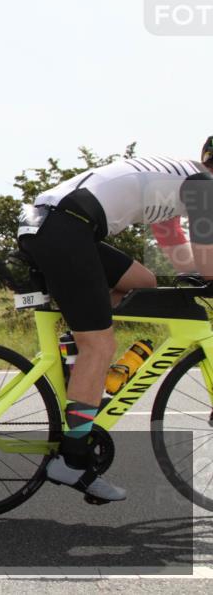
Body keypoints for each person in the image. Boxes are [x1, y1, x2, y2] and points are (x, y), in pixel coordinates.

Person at [18, 136, 213, 503]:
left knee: (143, 282)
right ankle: (73, 459)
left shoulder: (182, 184)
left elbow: (182, 257)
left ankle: (82, 369)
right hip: (64, 229)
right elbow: (206, 263)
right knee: (101, 344)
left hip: (56, 225)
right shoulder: (203, 187)